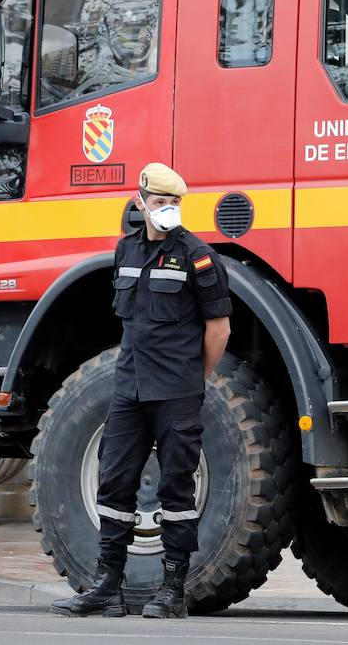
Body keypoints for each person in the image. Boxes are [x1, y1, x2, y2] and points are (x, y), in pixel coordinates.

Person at [50, 163, 231, 620]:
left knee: (175, 488)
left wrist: (194, 378)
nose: (168, 210)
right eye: (160, 202)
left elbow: (219, 328)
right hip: (128, 388)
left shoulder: (198, 255)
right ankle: (105, 586)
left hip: (176, 391)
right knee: (114, 483)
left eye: (175, 203)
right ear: (140, 203)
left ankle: (172, 591)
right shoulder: (125, 250)